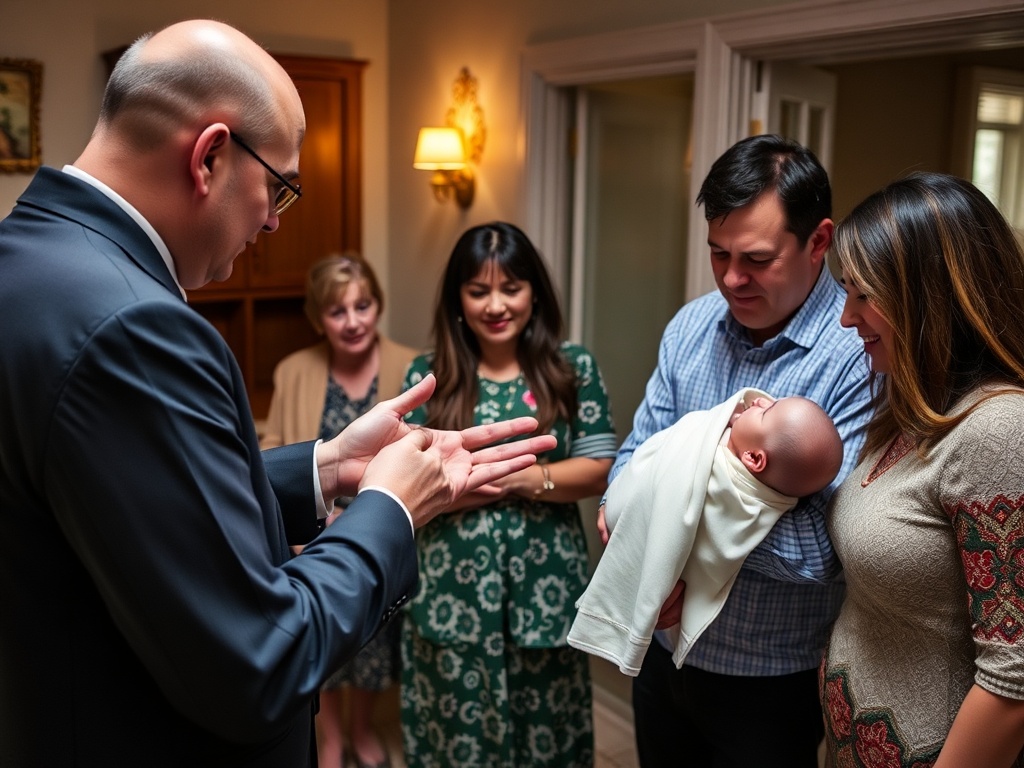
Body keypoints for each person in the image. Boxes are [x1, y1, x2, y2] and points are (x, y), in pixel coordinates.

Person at [0, 21, 555, 767]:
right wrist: (392, 508)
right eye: (279, 186)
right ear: (210, 156)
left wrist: (325, 468)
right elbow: (259, 660)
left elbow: (124, 500)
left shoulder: (31, 258)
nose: (270, 219)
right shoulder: (134, 327)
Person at [609, 134, 874, 768]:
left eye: (755, 258)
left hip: (770, 680)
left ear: (818, 242)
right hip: (663, 649)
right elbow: (632, 457)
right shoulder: (691, 326)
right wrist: (634, 516)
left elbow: (824, 551)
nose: (731, 278)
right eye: (718, 254)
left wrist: (667, 530)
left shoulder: (859, 357)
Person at [822, 172, 1024, 766]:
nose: (846, 318)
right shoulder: (910, 408)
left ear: (927, 295)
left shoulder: (998, 430)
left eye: (864, 294)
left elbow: (1014, 677)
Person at [399, 221, 617, 768]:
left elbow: (597, 469)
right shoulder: (428, 374)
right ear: (458, 299)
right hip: (450, 589)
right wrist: (476, 486)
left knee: (545, 729)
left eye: (511, 288)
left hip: (545, 587)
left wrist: (527, 480)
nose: (495, 305)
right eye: (478, 291)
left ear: (534, 291)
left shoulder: (571, 367)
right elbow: (407, 485)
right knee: (456, 730)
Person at [261, 254, 418, 768]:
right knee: (321, 636)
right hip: (314, 539)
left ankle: (361, 726)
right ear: (316, 317)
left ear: (379, 305)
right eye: (337, 311)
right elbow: (278, 451)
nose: (352, 321)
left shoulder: (411, 366)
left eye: (363, 305)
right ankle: (328, 734)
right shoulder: (293, 371)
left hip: (385, 525)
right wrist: (301, 536)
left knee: (373, 640)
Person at [570, 389, 843, 675]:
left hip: (761, 668)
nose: (760, 400)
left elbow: (821, 552)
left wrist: (679, 538)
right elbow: (638, 445)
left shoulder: (729, 482)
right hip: (659, 653)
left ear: (753, 459)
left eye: (765, 412)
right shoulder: (681, 343)